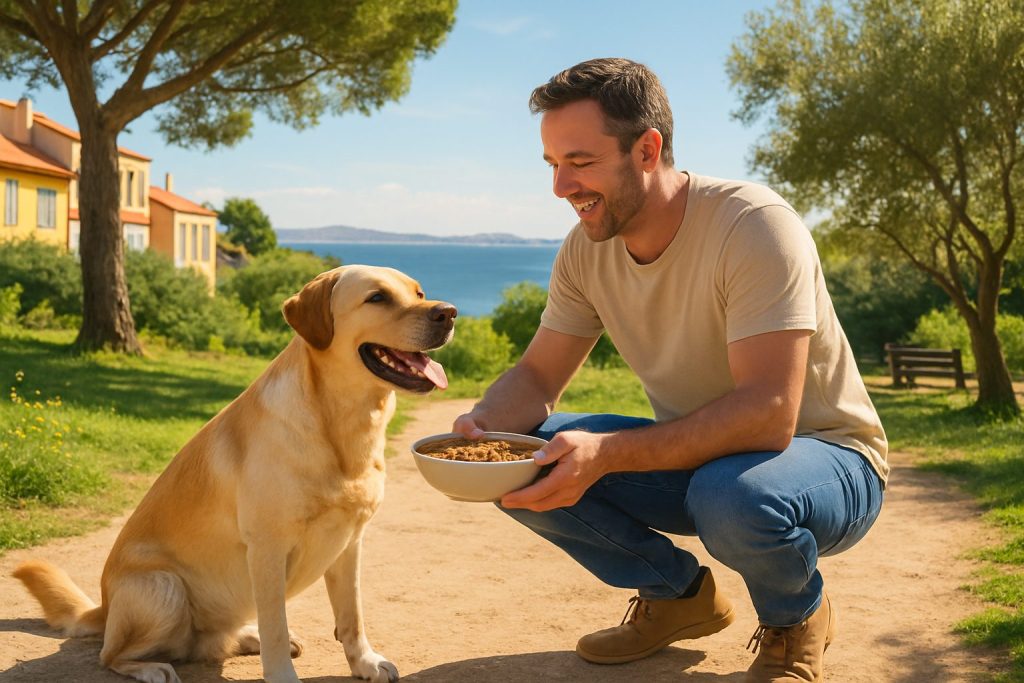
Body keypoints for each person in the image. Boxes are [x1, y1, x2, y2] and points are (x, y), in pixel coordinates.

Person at [452, 57, 888, 682]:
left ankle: (797, 617)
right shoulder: (585, 251)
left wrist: (606, 453)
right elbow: (538, 378)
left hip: (827, 459)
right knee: (520, 456)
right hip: (703, 463)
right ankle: (677, 596)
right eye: (552, 165)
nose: (561, 187)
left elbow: (769, 415)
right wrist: (481, 432)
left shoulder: (753, 225)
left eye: (580, 162)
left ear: (647, 150)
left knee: (731, 496)